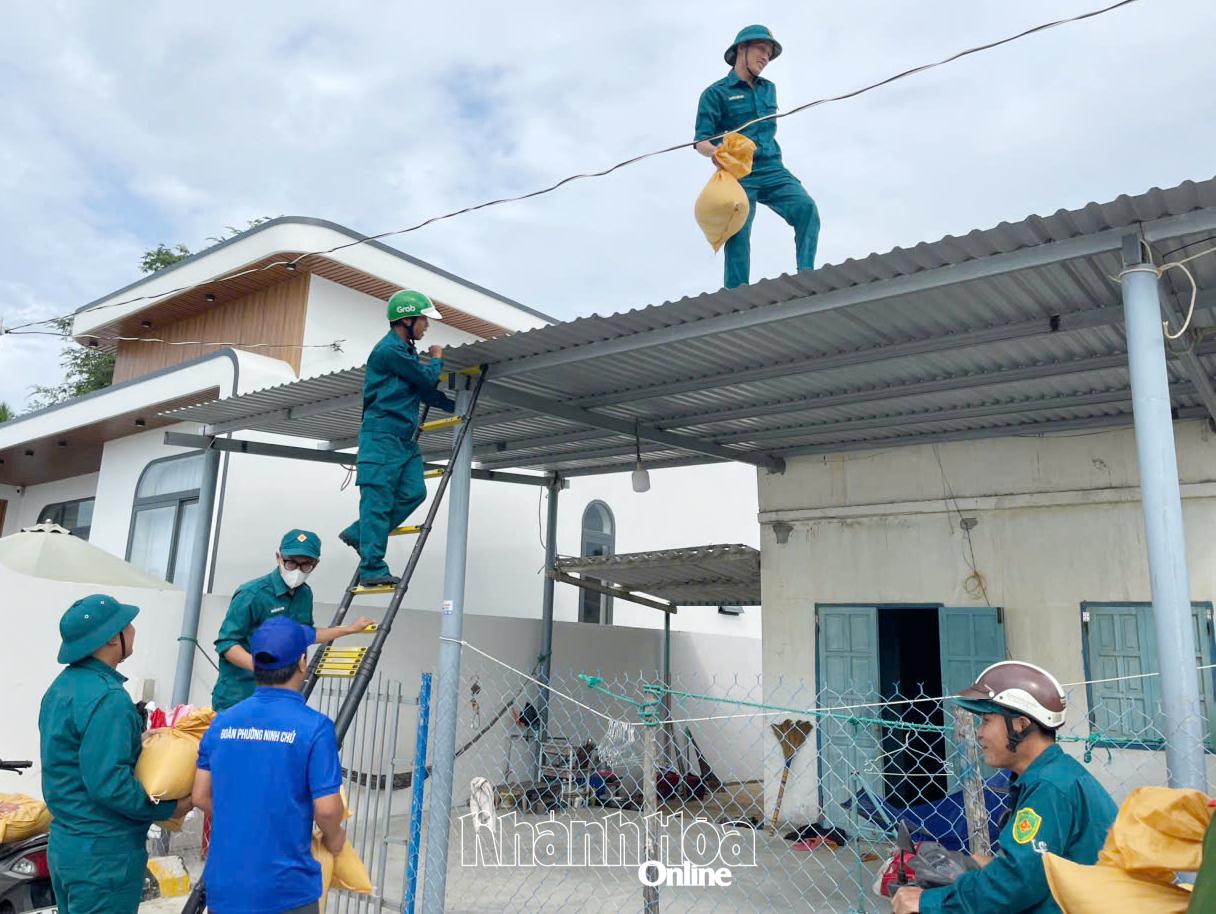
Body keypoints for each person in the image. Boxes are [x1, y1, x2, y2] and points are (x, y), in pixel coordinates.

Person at [892, 661, 1118, 914]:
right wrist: (985, 865)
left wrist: (927, 902)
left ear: (1020, 724)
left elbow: (1018, 886)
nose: (980, 734)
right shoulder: (1050, 776)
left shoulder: (1049, 787)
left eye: (986, 721)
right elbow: (1037, 869)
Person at [39, 594, 190, 914]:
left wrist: (136, 741)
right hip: (104, 857)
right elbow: (110, 785)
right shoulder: (109, 698)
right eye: (127, 624)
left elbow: (74, 755)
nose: (133, 630)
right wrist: (173, 808)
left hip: (67, 847)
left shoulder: (61, 688)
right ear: (111, 637)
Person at [194, 617, 346, 914]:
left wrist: (245, 812)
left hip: (225, 888)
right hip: (286, 891)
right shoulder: (314, 728)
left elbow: (200, 795)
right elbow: (327, 810)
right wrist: (335, 837)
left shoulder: (222, 722)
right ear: (303, 662)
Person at [339, 289, 454, 587]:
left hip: (404, 439)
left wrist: (456, 406)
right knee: (377, 504)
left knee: (415, 492)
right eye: (423, 320)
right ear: (406, 320)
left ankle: (358, 533)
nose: (427, 326)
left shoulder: (406, 354)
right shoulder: (388, 351)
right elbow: (426, 378)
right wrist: (438, 360)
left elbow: (425, 390)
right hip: (381, 437)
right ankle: (372, 569)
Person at [694, 24, 821, 289]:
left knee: (806, 209)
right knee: (738, 232)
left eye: (769, 54)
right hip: (740, 173)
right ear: (742, 48)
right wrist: (714, 151)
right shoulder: (716, 93)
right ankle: (736, 293)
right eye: (761, 50)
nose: (765, 57)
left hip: (773, 168)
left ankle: (807, 274)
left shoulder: (768, 89)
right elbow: (701, 140)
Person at [211, 529, 373, 711]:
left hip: (282, 699)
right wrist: (263, 669)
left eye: (305, 565)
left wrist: (349, 629)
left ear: (316, 564)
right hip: (240, 696)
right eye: (291, 563)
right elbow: (226, 644)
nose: (297, 570)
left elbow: (305, 634)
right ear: (278, 558)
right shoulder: (252, 594)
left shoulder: (305, 594)